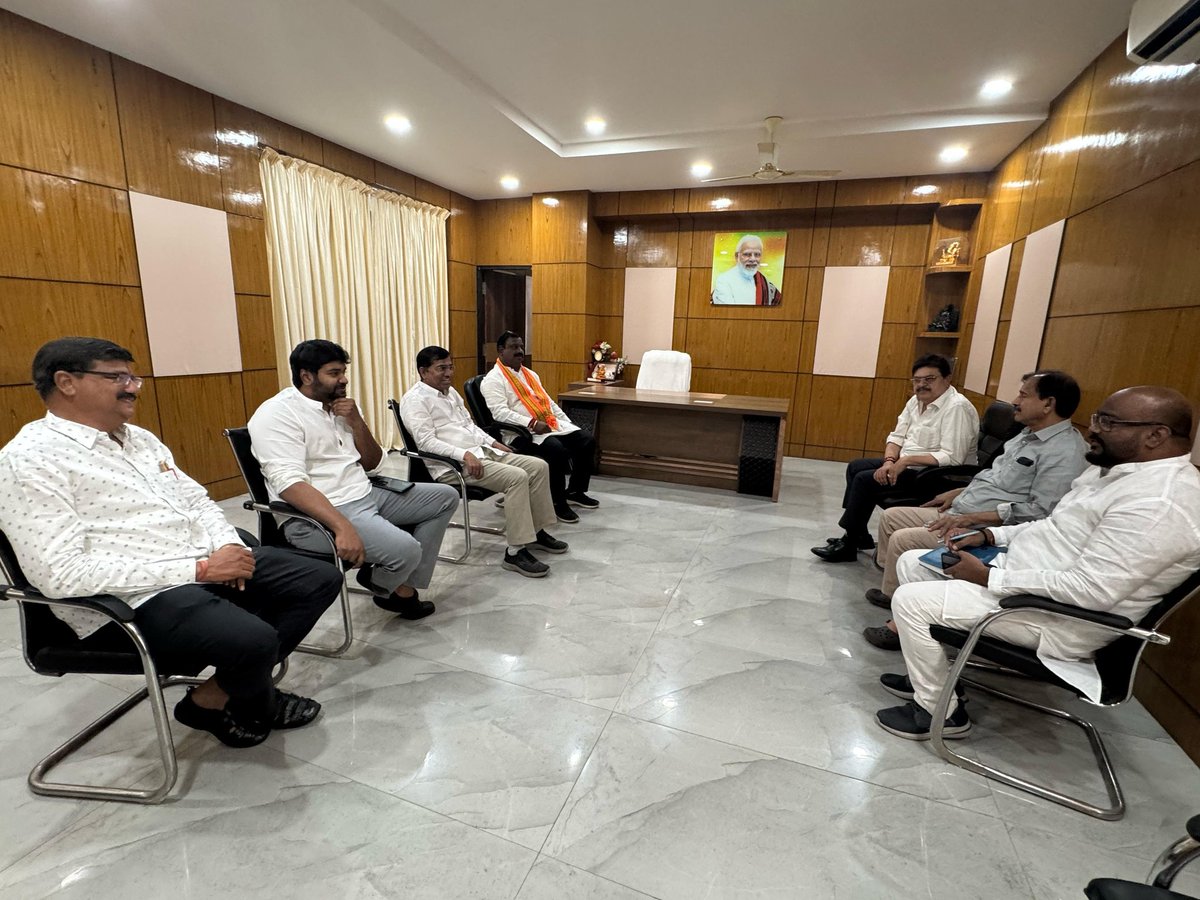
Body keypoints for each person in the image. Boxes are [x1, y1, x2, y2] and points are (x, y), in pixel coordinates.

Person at [0, 337, 342, 749]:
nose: (133, 387)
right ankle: (254, 694)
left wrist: (224, 546)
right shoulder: (29, 460)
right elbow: (61, 574)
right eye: (117, 377)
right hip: (133, 596)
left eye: (133, 376)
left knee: (318, 577)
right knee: (253, 639)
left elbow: (197, 500)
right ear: (66, 382)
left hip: (199, 563)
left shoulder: (139, 439)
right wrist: (198, 570)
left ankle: (213, 697)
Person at [875, 386, 1200, 741]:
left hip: (1059, 616)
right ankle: (932, 676)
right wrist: (990, 538)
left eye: (1108, 422)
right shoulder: (1114, 472)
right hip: (1023, 576)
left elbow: (1092, 592)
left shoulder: (1159, 504)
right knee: (913, 563)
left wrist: (988, 578)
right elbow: (1052, 525)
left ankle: (941, 711)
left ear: (1156, 435)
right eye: (1096, 419)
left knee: (911, 602)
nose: (1093, 430)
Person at [861, 370, 1088, 650]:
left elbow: (1041, 512)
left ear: (1048, 404)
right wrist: (958, 492)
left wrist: (973, 519)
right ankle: (894, 592)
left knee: (904, 539)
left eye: (1023, 394)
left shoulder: (1065, 452)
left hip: (984, 526)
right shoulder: (1026, 436)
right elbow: (993, 477)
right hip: (962, 506)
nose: (1015, 400)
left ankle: (902, 625)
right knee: (892, 517)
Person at [248, 339, 457, 621]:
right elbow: (289, 485)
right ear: (306, 376)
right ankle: (389, 586)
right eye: (334, 373)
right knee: (407, 551)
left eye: (343, 372)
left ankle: (393, 583)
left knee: (445, 497)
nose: (344, 379)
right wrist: (341, 526)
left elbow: (373, 463)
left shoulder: (337, 408)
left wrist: (357, 422)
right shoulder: (276, 414)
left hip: (365, 493)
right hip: (318, 514)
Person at [399, 345, 567, 578]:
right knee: (517, 477)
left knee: (538, 466)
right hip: (454, 466)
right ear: (423, 372)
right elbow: (426, 442)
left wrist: (494, 444)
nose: (449, 373)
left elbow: (470, 426)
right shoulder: (415, 400)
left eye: (450, 366)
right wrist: (464, 455)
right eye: (441, 368)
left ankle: (536, 532)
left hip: (481, 452)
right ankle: (515, 552)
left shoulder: (450, 393)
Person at [811, 354, 979, 562]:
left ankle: (850, 543)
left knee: (865, 479)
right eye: (917, 380)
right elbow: (897, 436)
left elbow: (952, 457)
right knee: (856, 467)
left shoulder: (956, 408)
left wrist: (904, 462)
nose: (921, 385)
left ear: (947, 379)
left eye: (929, 379)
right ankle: (859, 533)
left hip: (939, 479)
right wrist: (890, 461)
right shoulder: (915, 401)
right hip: (912, 467)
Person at [480, 331, 599, 523]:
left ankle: (576, 491)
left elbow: (548, 402)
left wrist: (567, 424)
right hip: (520, 433)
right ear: (501, 351)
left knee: (586, 440)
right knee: (556, 450)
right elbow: (499, 413)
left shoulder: (530, 374)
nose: (519, 351)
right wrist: (532, 423)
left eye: (521, 346)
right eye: (513, 347)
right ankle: (556, 502)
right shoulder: (493, 379)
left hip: (547, 425)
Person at [711, 234, 782, 306]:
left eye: (757, 254)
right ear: (737, 256)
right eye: (747, 254)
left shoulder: (766, 284)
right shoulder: (724, 280)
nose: (753, 259)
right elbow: (726, 312)